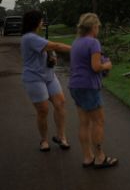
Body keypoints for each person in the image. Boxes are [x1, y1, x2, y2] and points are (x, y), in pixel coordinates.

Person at [68, 13, 118, 169]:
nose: (98, 30)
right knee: (98, 121)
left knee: (84, 123)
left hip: (75, 86)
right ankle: (100, 157)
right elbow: (96, 67)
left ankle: (87, 157)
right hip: (89, 86)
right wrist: (107, 65)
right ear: (94, 27)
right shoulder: (94, 42)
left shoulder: (76, 42)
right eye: (98, 27)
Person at [20, 10, 72, 151]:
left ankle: (61, 137)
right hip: (34, 78)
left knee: (60, 103)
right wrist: (76, 49)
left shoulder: (36, 37)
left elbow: (50, 49)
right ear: (36, 22)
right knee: (43, 110)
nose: (43, 22)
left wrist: (52, 57)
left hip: (48, 76)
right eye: (41, 20)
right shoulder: (29, 38)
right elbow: (55, 46)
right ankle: (44, 140)